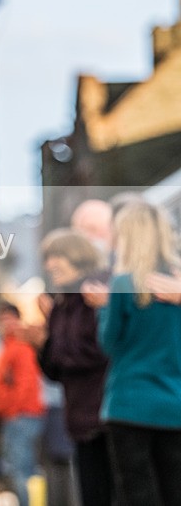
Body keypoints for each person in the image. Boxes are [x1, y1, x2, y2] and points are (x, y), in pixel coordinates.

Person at [98, 201, 181, 505]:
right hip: (174, 401)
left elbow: (109, 342)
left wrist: (104, 308)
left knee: (136, 491)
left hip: (130, 403)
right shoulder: (178, 284)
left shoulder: (122, 283)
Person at [37, 228, 113, 506]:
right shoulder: (61, 304)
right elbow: (52, 371)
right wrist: (43, 343)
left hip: (106, 414)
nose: (49, 265)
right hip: (79, 417)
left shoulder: (97, 292)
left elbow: (100, 350)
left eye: (55, 256)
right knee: (92, 495)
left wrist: (55, 350)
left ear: (76, 255)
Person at [0, 302, 46, 506]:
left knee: (22, 469)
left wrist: (14, 409)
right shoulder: (8, 345)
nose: (6, 323)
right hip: (13, 415)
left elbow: (26, 382)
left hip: (22, 414)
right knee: (17, 468)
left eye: (9, 318)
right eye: (2, 319)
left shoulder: (22, 345)